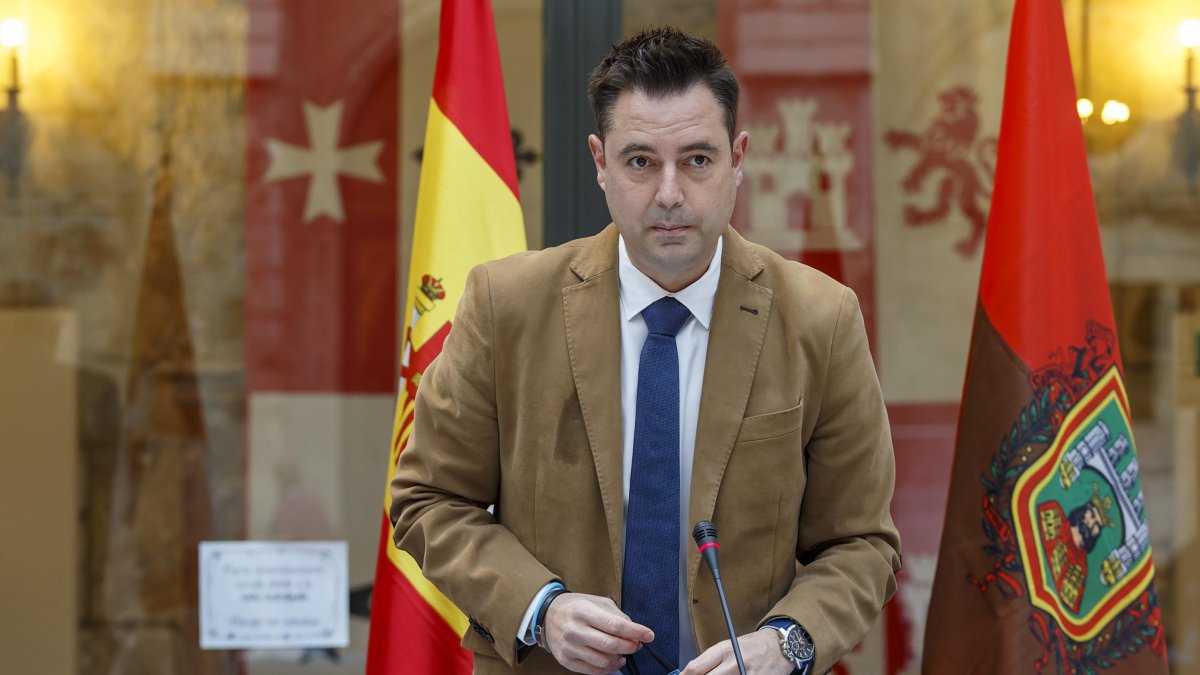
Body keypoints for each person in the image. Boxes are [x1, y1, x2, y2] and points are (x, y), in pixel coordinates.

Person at [391, 26, 901, 675]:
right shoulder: (506, 304)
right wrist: (539, 608)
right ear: (599, 161)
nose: (669, 193)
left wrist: (788, 640)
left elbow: (862, 542)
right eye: (640, 161)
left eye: (697, 160)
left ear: (737, 158)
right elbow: (427, 498)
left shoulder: (821, 319)